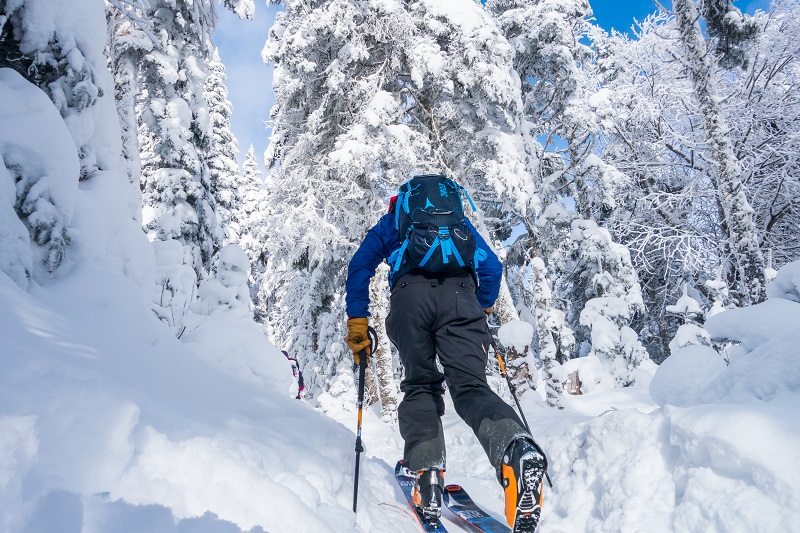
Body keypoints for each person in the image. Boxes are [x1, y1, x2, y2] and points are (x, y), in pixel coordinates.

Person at [344, 174, 548, 533]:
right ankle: (515, 449)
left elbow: (360, 265)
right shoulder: (458, 223)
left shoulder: (393, 222)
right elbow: (491, 267)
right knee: (472, 388)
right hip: (461, 298)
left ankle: (428, 476)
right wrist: (481, 309)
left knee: (421, 385)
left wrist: (358, 321)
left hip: (410, 300)